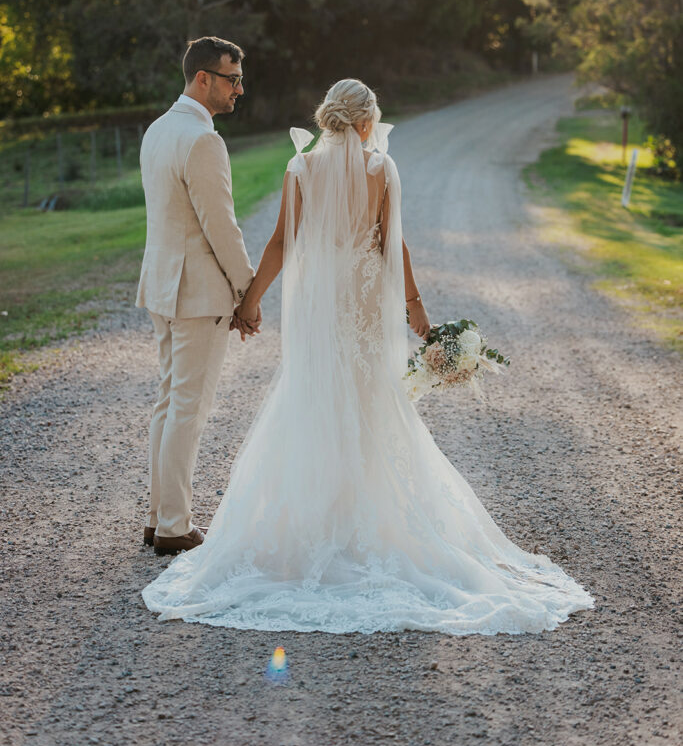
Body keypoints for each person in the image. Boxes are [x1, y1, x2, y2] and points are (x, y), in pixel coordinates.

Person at [142, 79, 594, 634]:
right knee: (368, 402)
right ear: (363, 122)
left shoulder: (300, 168)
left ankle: (315, 525)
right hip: (359, 306)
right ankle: (368, 522)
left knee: (314, 401)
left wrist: (250, 302)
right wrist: (416, 310)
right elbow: (392, 242)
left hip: (319, 310)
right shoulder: (382, 169)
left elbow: (282, 242)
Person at [136, 36, 259, 558]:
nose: (239, 89)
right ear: (203, 78)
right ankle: (174, 527)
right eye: (232, 79)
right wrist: (247, 290)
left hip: (164, 287)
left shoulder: (158, 129)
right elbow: (221, 227)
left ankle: (159, 516)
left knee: (169, 403)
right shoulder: (202, 140)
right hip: (196, 294)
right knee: (187, 407)